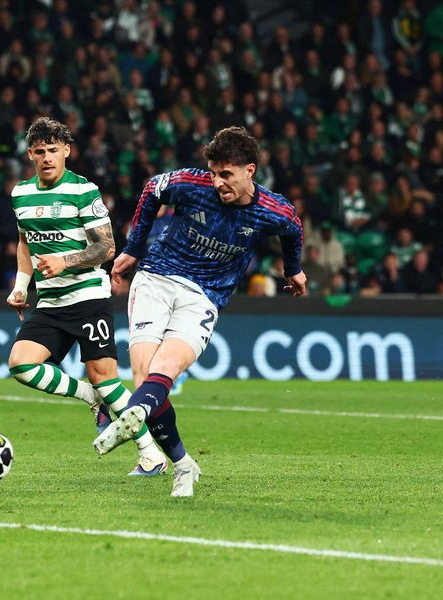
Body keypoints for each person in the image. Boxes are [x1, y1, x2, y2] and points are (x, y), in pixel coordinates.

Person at [95, 126, 306, 496]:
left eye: (227, 174)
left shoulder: (273, 209)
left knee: (165, 370)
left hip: (205, 295)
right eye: (214, 172)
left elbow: (293, 229)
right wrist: (133, 246)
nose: (218, 181)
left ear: (249, 171)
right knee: (146, 375)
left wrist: (293, 270)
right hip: (157, 277)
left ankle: (137, 416)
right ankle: (181, 464)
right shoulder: (191, 184)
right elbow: (152, 189)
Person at [5, 116, 169, 477]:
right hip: (49, 301)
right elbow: (24, 243)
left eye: (53, 150)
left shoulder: (83, 190)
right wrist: (21, 285)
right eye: (39, 151)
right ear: (30, 155)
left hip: (87, 297)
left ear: (67, 150)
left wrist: (65, 260)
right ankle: (91, 399)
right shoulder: (21, 194)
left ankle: (151, 454)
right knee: (20, 364)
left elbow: (107, 248)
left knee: (105, 378)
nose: (47, 157)